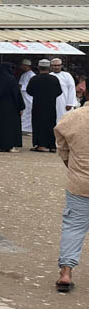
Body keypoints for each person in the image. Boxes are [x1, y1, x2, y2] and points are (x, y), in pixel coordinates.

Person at [54, 104, 89, 293]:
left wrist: (73, 166)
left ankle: (66, 272)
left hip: (80, 182)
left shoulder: (72, 118)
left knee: (74, 226)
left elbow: (62, 148)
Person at [27, 59, 63, 152]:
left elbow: (29, 91)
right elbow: (59, 92)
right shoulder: (54, 79)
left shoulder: (34, 79)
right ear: (49, 68)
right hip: (50, 106)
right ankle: (52, 146)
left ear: (39, 68)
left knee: (38, 125)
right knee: (51, 124)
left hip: (38, 106)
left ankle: (41, 145)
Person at [0, 62, 24, 153]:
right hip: (11, 107)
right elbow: (16, 94)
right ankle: (10, 145)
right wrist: (21, 106)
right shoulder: (11, 79)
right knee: (10, 127)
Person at [52, 58, 78, 123]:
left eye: (59, 65)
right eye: (55, 65)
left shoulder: (67, 75)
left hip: (65, 102)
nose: (57, 67)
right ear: (51, 66)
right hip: (53, 102)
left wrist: (70, 103)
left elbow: (72, 89)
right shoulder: (50, 75)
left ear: (61, 66)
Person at [19, 59, 35, 135]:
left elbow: (30, 87)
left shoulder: (32, 75)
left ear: (26, 66)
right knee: (24, 112)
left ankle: (29, 130)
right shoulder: (23, 74)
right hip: (23, 97)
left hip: (29, 97)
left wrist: (21, 86)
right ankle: (23, 128)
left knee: (29, 112)